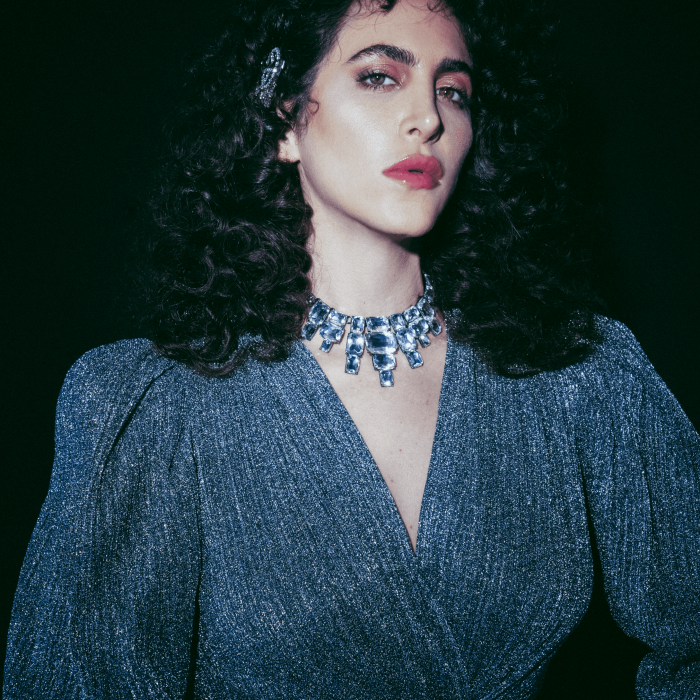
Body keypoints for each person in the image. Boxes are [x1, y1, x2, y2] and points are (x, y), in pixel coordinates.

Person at [4, 0, 699, 697]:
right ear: (285, 124)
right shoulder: (157, 406)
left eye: (453, 91)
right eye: (379, 77)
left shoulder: (579, 372)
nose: (428, 118)